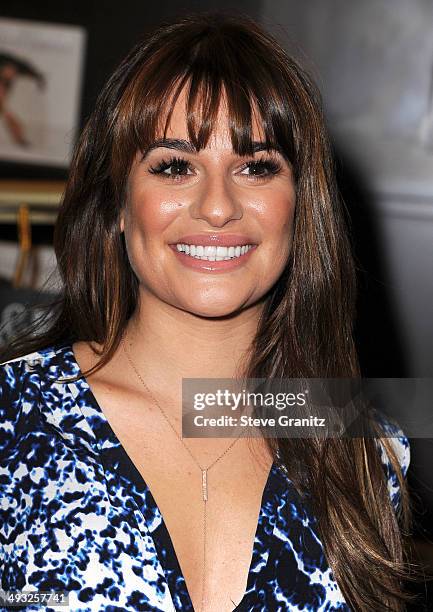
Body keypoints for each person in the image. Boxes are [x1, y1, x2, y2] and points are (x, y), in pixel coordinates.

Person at [0, 11, 418, 612]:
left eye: (256, 167)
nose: (218, 206)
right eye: (174, 165)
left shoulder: (364, 454)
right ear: (117, 202)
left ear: (301, 206)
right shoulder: (14, 420)